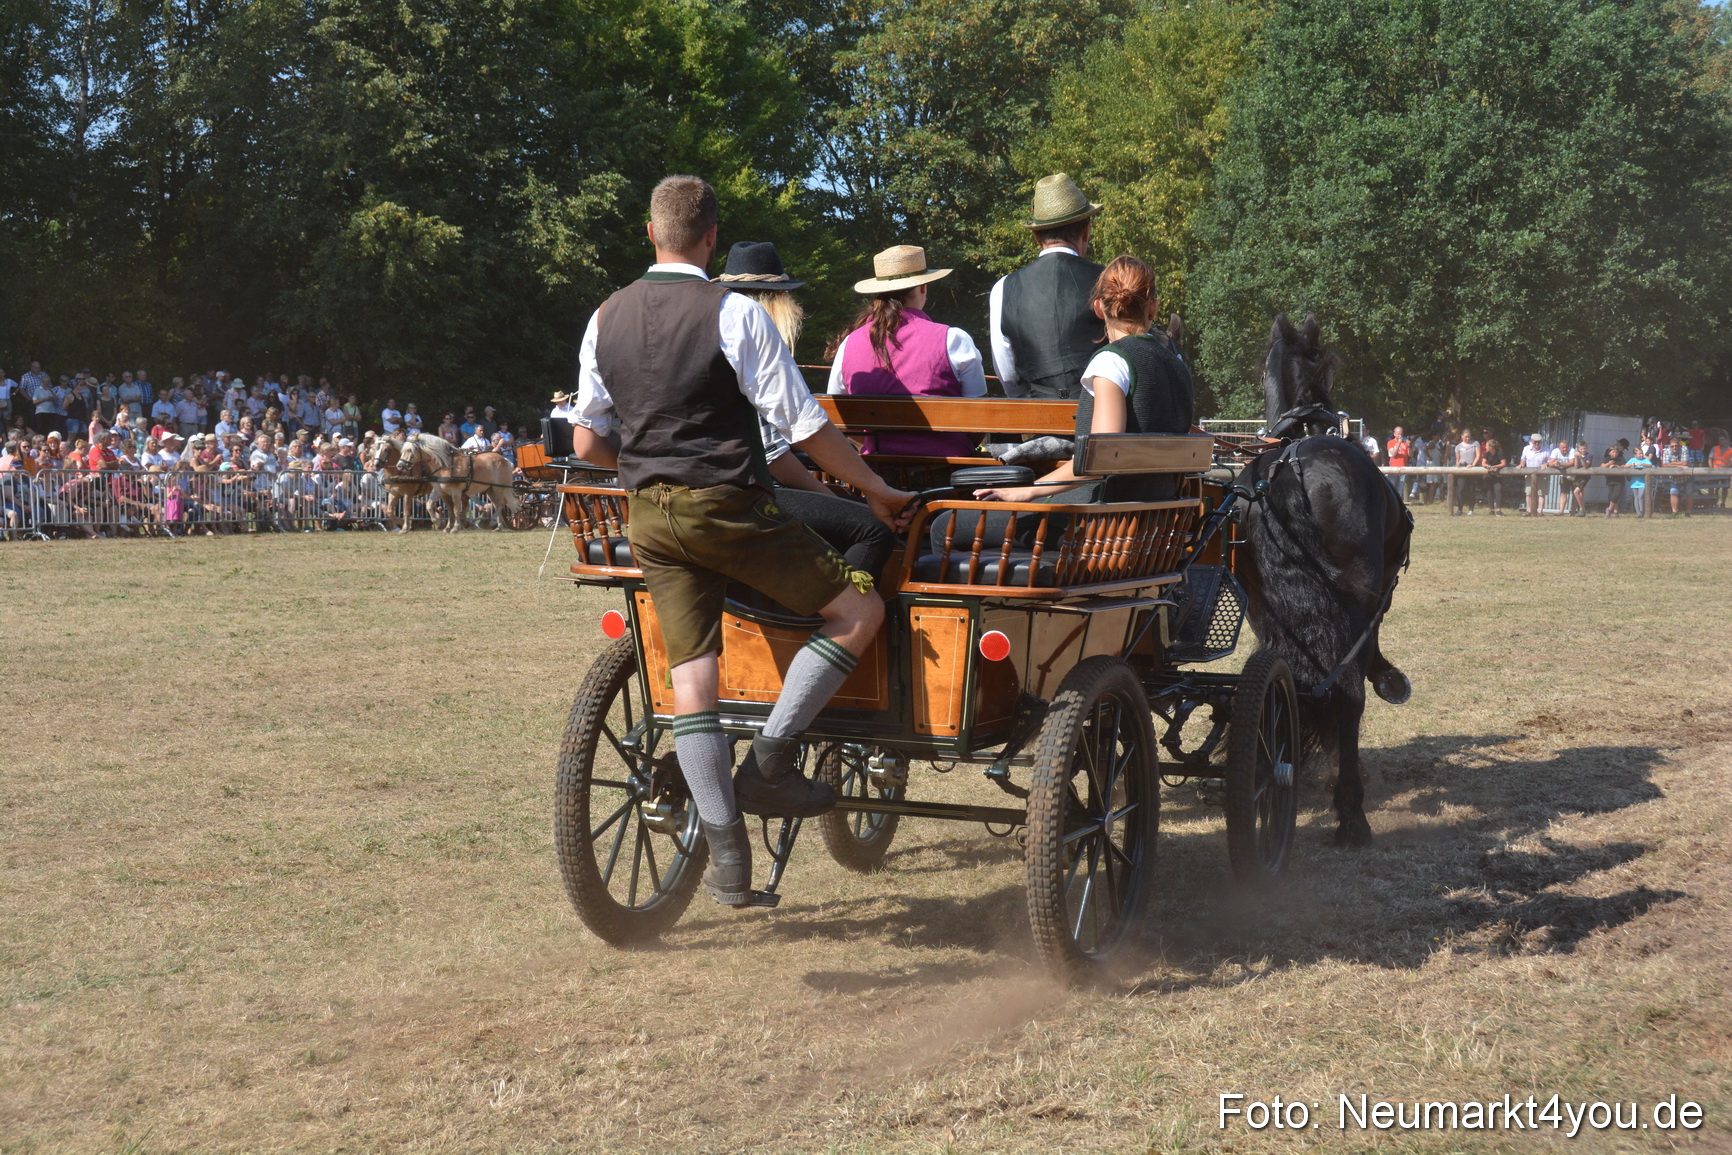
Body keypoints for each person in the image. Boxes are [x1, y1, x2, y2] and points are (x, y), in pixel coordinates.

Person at [567, 174, 916, 908]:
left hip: (649, 519)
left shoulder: (604, 316)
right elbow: (805, 427)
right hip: (726, 509)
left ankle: (729, 860)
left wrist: (645, 463)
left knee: (694, 677)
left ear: (649, 233)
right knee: (859, 613)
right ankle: (772, 758)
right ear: (711, 237)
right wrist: (876, 490)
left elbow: (586, 439)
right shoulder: (734, 315)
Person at [718, 239, 898, 584]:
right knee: (873, 527)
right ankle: (843, 623)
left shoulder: (711, 332)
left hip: (703, 491)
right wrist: (836, 496)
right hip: (750, 493)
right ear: (776, 302)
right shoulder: (758, 344)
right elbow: (777, 459)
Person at [974, 255, 1193, 506]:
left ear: (1098, 308)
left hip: (1095, 522)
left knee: (943, 525)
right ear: (1152, 308)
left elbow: (1102, 457)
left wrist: (1029, 490)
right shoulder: (1176, 365)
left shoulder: (1111, 362)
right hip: (1156, 523)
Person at [826, 244, 988, 457]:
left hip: (878, 470)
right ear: (923, 288)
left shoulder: (849, 343)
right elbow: (980, 421)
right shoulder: (954, 339)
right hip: (947, 471)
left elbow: (839, 416)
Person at [988, 173, 1105, 399]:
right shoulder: (1108, 280)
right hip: (1099, 418)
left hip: (1036, 421)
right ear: (1086, 229)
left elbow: (1007, 374)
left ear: (1036, 235)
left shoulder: (1003, 288)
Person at [1452, 428, 1482, 515]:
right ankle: (1460, 509)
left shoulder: (1475, 444)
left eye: (1469, 437)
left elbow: (1478, 455)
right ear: (1462, 436)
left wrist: (1473, 464)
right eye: (1465, 437)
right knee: (1460, 489)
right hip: (1462, 468)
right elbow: (1457, 459)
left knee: (1471, 489)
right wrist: (1458, 464)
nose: (1467, 439)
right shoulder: (1458, 447)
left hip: (1472, 468)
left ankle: (1471, 509)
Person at [1518, 433, 1550, 516]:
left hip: (1542, 475)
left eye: (1538, 442)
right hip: (1529, 474)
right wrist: (1522, 464)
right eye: (1535, 442)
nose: (1537, 443)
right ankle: (1529, 511)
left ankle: (1540, 512)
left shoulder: (1546, 450)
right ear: (1532, 441)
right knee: (1528, 493)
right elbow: (1523, 459)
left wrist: (1546, 464)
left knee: (1541, 493)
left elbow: (1550, 461)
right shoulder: (1526, 449)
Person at [1624, 441, 1653, 517]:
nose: (1641, 455)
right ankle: (1638, 513)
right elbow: (1625, 466)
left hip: (1642, 482)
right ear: (1635, 455)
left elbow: (1650, 465)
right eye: (1639, 454)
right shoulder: (1632, 460)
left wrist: (1643, 464)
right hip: (1634, 482)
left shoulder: (1645, 460)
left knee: (1641, 496)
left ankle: (1642, 510)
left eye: (1642, 453)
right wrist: (1631, 465)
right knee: (1636, 497)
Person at [1479, 436, 1507, 514]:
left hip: (1498, 474)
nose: (1485, 447)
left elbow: (1504, 463)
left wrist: (1494, 467)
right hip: (1489, 474)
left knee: (1498, 490)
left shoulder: (1500, 452)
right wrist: (1488, 466)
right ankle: (1491, 509)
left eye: (1487, 446)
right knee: (1489, 490)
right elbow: (1483, 463)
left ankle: (1498, 510)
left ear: (1491, 447)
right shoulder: (1487, 453)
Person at [1603, 440, 1627, 516]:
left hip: (1619, 479)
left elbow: (1624, 466)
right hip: (1610, 478)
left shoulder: (1621, 458)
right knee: (1612, 495)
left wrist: (1616, 466)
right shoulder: (1607, 457)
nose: (1615, 453)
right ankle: (1615, 511)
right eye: (1613, 452)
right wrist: (1608, 464)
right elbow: (1602, 465)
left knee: (1616, 495)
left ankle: (1610, 510)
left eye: (1616, 452)